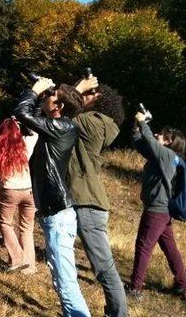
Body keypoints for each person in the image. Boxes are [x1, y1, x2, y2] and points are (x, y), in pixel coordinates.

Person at [14, 76, 91, 317]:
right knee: (62, 280)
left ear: (59, 107)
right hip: (55, 213)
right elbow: (30, 118)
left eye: (51, 95)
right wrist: (42, 93)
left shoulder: (63, 127)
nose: (46, 96)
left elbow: (22, 113)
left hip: (58, 215)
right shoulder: (58, 125)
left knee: (66, 283)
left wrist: (33, 90)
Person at [67, 83, 128, 317]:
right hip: (87, 200)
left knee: (104, 267)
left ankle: (118, 314)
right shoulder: (99, 123)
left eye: (91, 93)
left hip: (87, 202)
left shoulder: (93, 122)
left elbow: (65, 107)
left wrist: (76, 89)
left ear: (100, 99)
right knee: (101, 266)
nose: (84, 95)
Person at [128, 112, 186, 300]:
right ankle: (182, 285)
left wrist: (144, 122)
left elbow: (150, 140)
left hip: (157, 210)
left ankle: (135, 288)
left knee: (143, 247)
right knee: (170, 248)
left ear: (169, 142)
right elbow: (139, 142)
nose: (156, 135)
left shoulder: (168, 156)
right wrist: (138, 125)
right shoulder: (160, 156)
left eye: (160, 135)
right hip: (162, 210)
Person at [0, 118, 38, 275]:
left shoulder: (2, 146)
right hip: (30, 189)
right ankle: (30, 266)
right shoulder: (30, 141)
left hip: (11, 189)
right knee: (27, 227)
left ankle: (18, 258)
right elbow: (35, 132)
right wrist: (22, 121)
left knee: (4, 222)